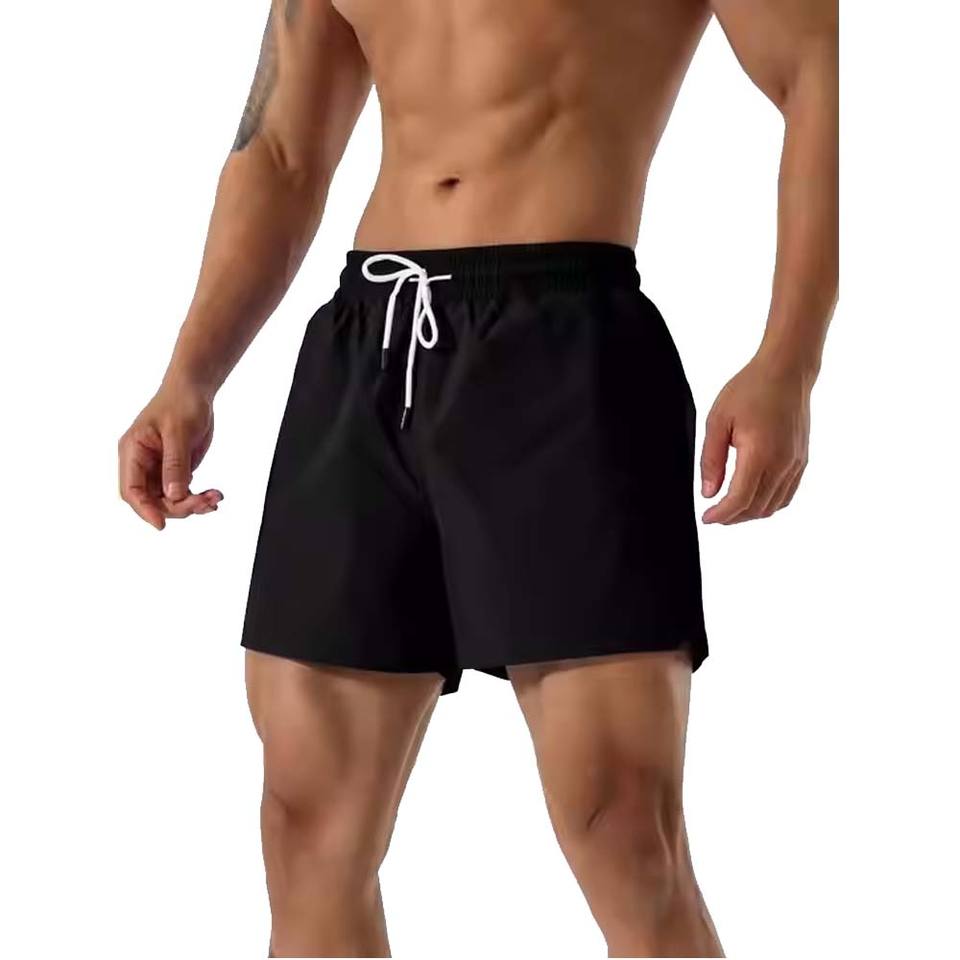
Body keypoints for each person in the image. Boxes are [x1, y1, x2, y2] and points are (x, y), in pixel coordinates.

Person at [118, 0, 837, 955]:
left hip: (566, 342)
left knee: (621, 825)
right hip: (366, 345)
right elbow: (282, 153)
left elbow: (817, 71)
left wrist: (790, 356)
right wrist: (190, 374)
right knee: (307, 821)